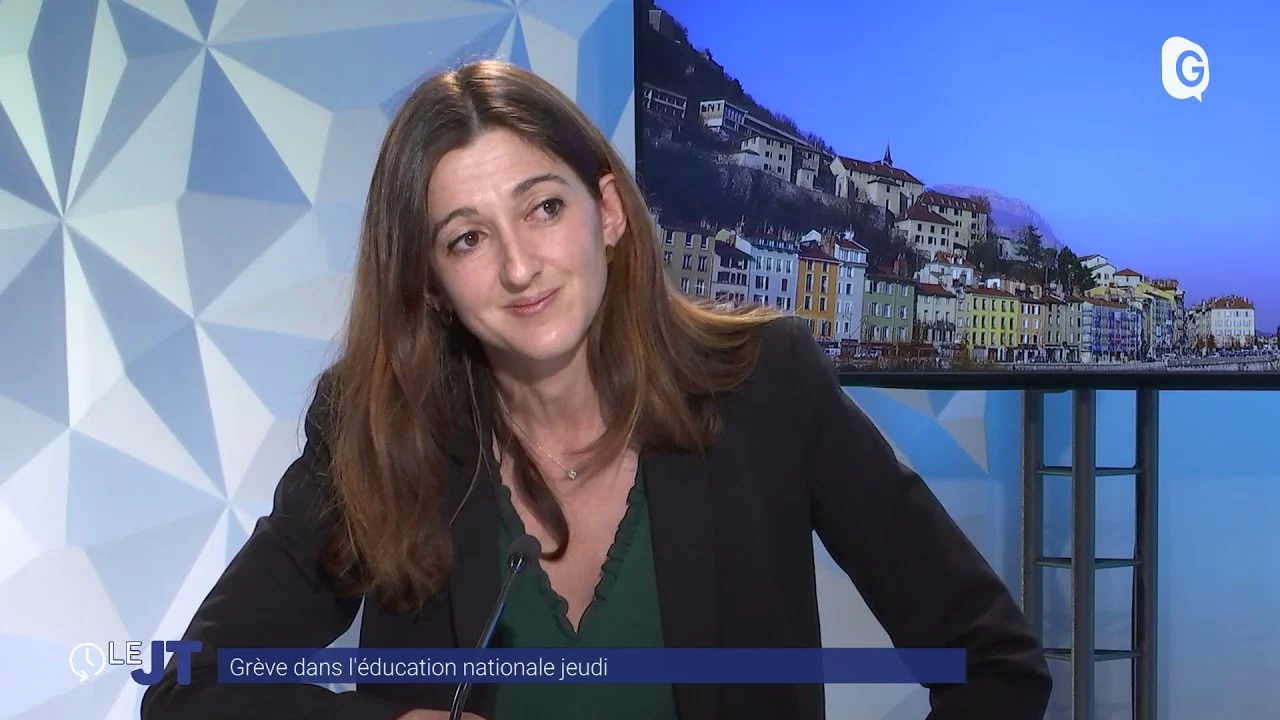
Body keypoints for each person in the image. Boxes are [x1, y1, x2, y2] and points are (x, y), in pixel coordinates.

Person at [139, 59, 1051, 720]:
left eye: (544, 207)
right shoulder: (378, 428)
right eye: (466, 238)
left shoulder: (766, 387)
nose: (520, 266)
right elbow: (190, 687)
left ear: (607, 213)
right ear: (429, 283)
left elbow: (995, 663)